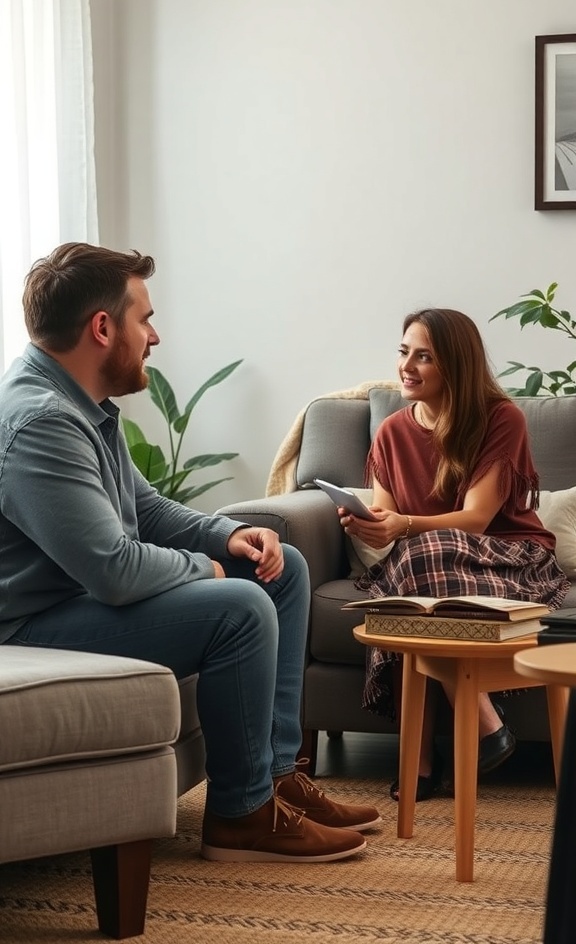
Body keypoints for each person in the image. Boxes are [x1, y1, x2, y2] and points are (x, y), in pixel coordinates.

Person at [0, 242, 382, 862]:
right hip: (31, 625)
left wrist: (226, 536)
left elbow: (145, 508)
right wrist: (202, 568)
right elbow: (114, 570)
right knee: (239, 605)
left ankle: (277, 778)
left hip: (75, 602)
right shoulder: (40, 421)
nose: (154, 336)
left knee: (283, 571)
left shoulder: (81, 404)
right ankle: (241, 816)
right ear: (103, 328)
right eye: (144, 318)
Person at [338, 308, 570, 802]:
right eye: (404, 352)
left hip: (510, 560)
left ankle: (431, 754)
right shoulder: (391, 433)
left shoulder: (500, 417)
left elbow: (477, 519)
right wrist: (371, 524)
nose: (408, 365)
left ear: (456, 366)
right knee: (413, 572)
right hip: (429, 567)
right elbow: (388, 519)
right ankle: (476, 726)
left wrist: (404, 528)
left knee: (418, 561)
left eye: (425, 357)